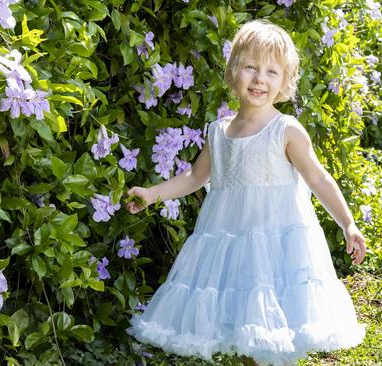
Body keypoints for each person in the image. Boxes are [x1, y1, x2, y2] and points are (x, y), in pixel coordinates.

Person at [125, 19, 367, 366]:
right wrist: (152, 194)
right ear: (233, 72)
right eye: (251, 67)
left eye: (271, 71)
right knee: (242, 329)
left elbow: (317, 178)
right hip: (229, 245)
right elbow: (194, 176)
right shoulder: (218, 132)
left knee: (270, 329)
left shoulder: (286, 130)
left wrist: (348, 223)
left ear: (284, 82)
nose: (259, 79)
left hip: (275, 249)